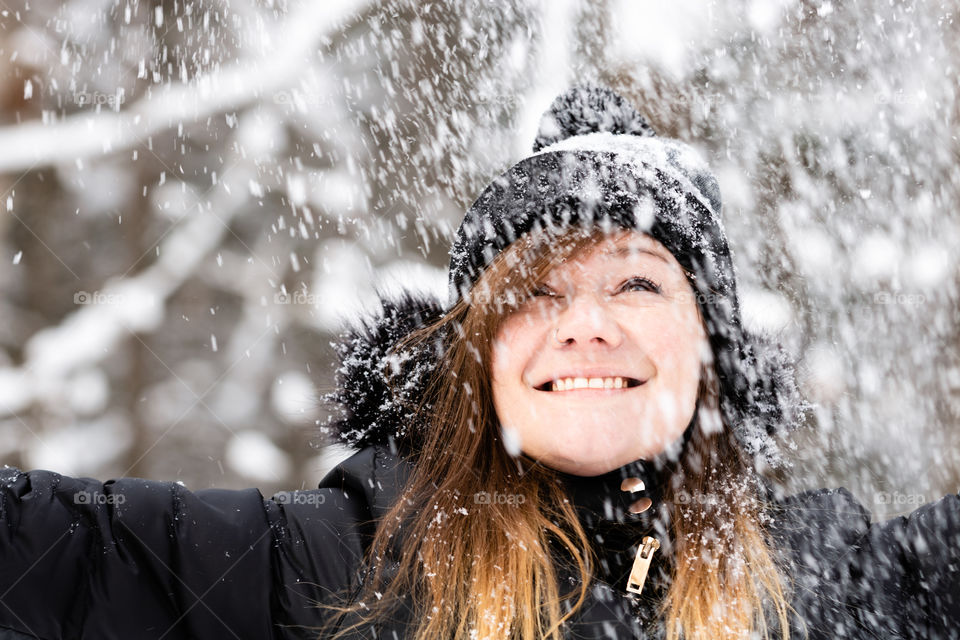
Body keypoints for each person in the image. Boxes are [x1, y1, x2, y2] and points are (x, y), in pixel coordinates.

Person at [0, 85, 957, 640]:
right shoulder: (342, 565)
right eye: (537, 292)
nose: (584, 326)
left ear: (710, 349)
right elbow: (60, 554)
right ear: (478, 360)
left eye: (635, 285)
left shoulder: (816, 587)